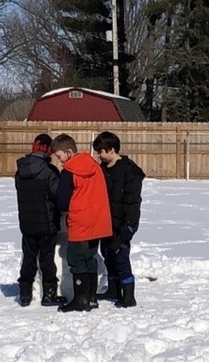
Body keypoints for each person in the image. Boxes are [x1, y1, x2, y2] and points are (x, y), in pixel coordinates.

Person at [51, 133, 112, 312]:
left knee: (77, 260)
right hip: (98, 221)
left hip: (80, 222)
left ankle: (80, 299)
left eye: (59, 156)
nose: (60, 161)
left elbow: (62, 201)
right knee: (90, 258)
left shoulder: (69, 172)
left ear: (69, 152)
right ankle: (92, 297)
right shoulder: (95, 166)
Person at [92, 130, 146, 308]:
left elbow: (132, 201)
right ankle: (114, 290)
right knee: (108, 255)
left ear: (112, 150)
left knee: (121, 257)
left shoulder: (127, 171)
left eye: (101, 151)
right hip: (105, 222)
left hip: (122, 224)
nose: (99, 155)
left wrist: (128, 226)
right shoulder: (102, 169)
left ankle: (129, 296)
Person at [14, 134, 61, 306]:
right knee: (47, 259)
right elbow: (58, 196)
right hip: (47, 223)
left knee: (29, 257)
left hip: (26, 222)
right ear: (47, 149)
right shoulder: (50, 172)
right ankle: (49, 293)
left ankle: (25, 292)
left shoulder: (20, 171)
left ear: (34, 145)